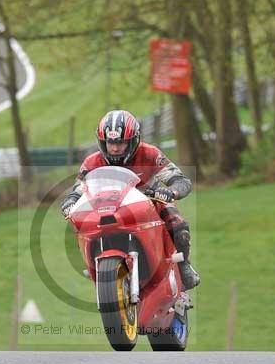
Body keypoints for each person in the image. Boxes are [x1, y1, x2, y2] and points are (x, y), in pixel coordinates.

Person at [61, 109, 200, 290]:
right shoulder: (91, 162)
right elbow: (79, 189)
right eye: (110, 142)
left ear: (133, 140)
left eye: (121, 142)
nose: (115, 148)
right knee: (80, 224)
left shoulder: (150, 154)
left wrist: (171, 192)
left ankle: (183, 265)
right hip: (108, 209)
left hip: (149, 203)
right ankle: (93, 264)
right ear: (102, 142)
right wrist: (70, 202)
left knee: (177, 223)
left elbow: (180, 180)